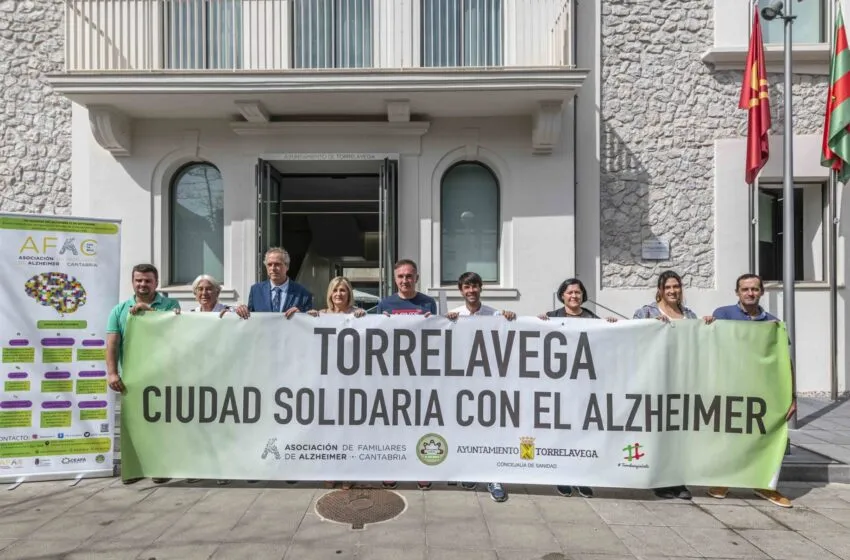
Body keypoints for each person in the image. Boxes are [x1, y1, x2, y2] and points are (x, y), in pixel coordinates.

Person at [705, 273, 795, 508]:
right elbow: (710, 345)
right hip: (731, 388)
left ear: (762, 292)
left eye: (755, 289)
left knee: (767, 438)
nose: (750, 293)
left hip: (764, 392)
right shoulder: (723, 315)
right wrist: (706, 327)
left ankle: (766, 485)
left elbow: (785, 361)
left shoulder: (774, 323)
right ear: (737, 292)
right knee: (729, 436)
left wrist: (792, 396)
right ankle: (724, 480)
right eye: (745, 289)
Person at [106, 264, 180, 485]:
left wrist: (149, 312)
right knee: (133, 426)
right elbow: (111, 344)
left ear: (156, 283)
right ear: (132, 282)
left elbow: (176, 329)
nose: (143, 284)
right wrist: (112, 373)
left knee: (161, 425)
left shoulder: (170, 304)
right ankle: (134, 469)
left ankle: (159, 467)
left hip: (162, 375)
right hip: (131, 378)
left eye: (148, 280)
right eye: (138, 280)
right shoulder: (119, 310)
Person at [446, 272, 516, 503]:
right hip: (462, 384)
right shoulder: (453, 315)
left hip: (490, 384)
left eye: (475, 286)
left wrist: (510, 318)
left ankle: (494, 476)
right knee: (467, 429)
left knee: (491, 430)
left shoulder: (495, 315)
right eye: (467, 286)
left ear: (481, 288)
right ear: (460, 289)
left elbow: (510, 335)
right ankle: (471, 471)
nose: (471, 291)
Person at [538, 277, 608, 499]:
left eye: (578, 292)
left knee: (582, 433)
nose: (574, 296)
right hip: (558, 387)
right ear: (562, 296)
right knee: (560, 432)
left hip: (584, 386)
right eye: (569, 293)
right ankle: (562, 476)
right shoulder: (551, 318)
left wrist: (613, 325)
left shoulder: (592, 319)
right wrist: (538, 322)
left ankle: (582, 478)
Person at [633, 270, 695, 501]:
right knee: (657, 431)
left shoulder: (688, 314)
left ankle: (678, 481)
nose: (672, 291)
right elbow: (633, 337)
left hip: (682, 379)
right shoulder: (646, 312)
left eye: (676, 287)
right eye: (668, 287)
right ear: (660, 290)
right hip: (655, 380)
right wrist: (651, 326)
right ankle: (659, 480)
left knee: (678, 433)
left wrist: (708, 324)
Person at [377, 259, 436, 490]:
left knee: (419, 422)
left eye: (409, 276)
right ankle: (392, 468)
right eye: (401, 276)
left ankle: (421, 469)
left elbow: (438, 333)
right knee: (393, 424)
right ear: (395, 279)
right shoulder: (385, 303)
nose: (405, 280)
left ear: (417, 278)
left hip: (421, 374)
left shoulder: (428, 303)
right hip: (393, 374)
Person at [307, 276, 366, 490]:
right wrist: (307, 320)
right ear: (330, 294)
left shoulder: (358, 315)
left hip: (352, 381)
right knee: (329, 429)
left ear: (349, 293)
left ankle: (348, 472)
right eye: (335, 291)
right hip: (327, 381)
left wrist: (364, 318)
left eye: (343, 290)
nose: (339, 294)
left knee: (349, 429)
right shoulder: (320, 315)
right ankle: (330, 470)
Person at [185, 274, 231, 486]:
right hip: (197, 378)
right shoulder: (188, 316)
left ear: (218, 292)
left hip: (221, 379)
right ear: (195, 294)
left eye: (209, 289)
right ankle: (198, 467)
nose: (204, 293)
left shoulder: (227, 313)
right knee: (198, 426)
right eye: (200, 290)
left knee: (220, 426)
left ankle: (221, 469)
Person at [234, 247, 313, 318]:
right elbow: (249, 318)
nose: (273, 268)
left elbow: (309, 322)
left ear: (287, 266)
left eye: (277, 264)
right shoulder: (256, 290)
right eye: (269, 265)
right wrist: (242, 310)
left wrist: (302, 315)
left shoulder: (303, 293)